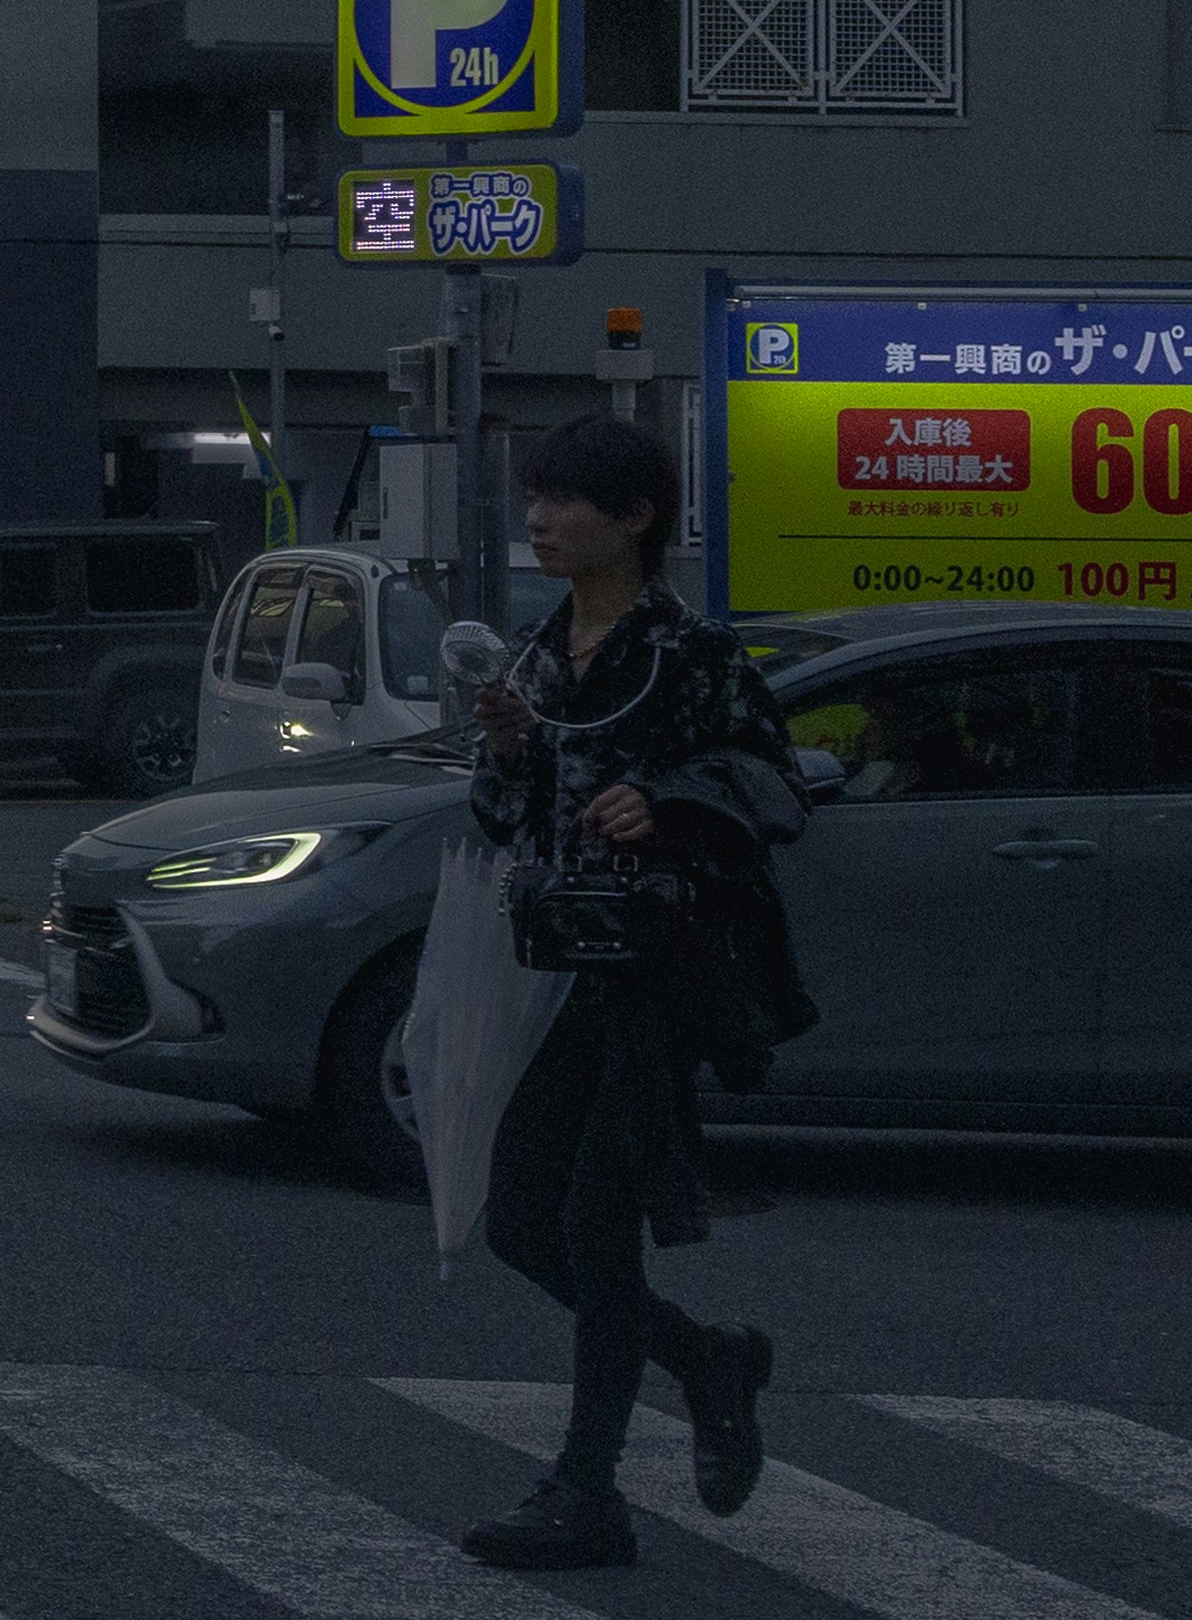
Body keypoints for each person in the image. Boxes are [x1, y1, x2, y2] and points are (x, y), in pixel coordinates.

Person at [455, 413, 809, 1574]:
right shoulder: (535, 652)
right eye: (537, 499)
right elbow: (501, 817)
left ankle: (586, 1488)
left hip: (659, 974)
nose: (542, 520)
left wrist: (666, 800)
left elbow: (772, 782)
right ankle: (708, 1358)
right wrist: (508, 754)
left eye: (566, 501)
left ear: (637, 518)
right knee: (517, 1221)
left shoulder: (690, 651)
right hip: (564, 971)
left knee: (596, 1228)